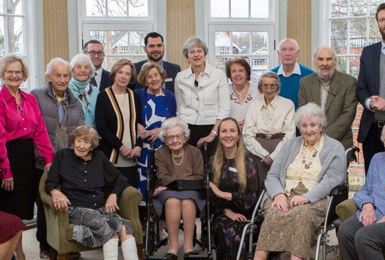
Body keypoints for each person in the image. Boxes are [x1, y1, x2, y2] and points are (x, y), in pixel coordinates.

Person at [253, 103, 346, 260]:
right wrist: (278, 194)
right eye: (304, 125)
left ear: (321, 125)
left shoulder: (334, 147)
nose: (309, 129)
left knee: (302, 214)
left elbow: (333, 179)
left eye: (313, 125)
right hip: (285, 194)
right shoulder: (289, 145)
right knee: (275, 212)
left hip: (315, 198)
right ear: (299, 127)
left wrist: (307, 197)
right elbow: (273, 175)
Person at [45, 126, 138, 260]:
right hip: (76, 209)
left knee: (126, 229)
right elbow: (50, 181)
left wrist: (113, 195)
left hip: (99, 208)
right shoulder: (62, 156)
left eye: (86, 142)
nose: (81, 146)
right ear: (73, 141)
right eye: (79, 141)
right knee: (109, 228)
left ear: (92, 145)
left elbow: (121, 179)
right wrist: (55, 192)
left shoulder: (99, 157)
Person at [31, 57, 84, 258]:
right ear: (49, 77)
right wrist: (43, 158)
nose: (62, 79)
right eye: (58, 75)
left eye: (65, 75)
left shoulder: (75, 102)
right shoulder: (36, 96)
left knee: (67, 203)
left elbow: (79, 133)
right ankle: (45, 245)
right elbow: (33, 130)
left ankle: (66, 244)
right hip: (41, 162)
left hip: (66, 163)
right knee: (45, 205)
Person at [0, 54, 54, 219]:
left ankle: (20, 246)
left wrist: (49, 158)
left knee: (23, 206)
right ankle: (10, 246)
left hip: (26, 157)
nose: (14, 75)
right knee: (9, 210)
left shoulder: (30, 99)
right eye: (10, 72)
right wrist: (5, 171)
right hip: (7, 156)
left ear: (24, 75)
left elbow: (40, 132)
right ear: (3, 74)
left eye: (18, 72)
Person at [152, 117, 205, 259]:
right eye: (170, 137)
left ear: (184, 137)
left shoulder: (195, 152)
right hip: (168, 192)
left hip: (189, 192)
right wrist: (182, 182)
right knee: (172, 201)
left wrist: (174, 183)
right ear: (165, 139)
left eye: (178, 136)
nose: (174, 140)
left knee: (187, 201)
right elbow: (162, 177)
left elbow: (199, 176)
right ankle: (173, 247)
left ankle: (188, 247)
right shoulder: (160, 153)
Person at [210, 117, 260, 260]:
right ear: (219, 136)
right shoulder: (213, 163)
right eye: (224, 131)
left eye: (232, 130)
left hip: (249, 214)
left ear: (238, 135)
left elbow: (253, 199)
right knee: (227, 229)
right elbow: (211, 196)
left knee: (239, 229)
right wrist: (227, 211)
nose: (228, 135)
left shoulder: (249, 161)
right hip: (222, 214)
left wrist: (226, 195)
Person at [175, 37, 230, 156]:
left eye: (199, 51)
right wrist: (181, 133)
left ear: (205, 53)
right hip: (187, 129)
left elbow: (224, 108)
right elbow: (179, 108)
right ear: (187, 56)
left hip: (212, 127)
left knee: (211, 166)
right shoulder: (180, 77)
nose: (196, 55)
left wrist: (213, 134)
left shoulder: (218, 75)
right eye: (192, 52)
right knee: (191, 166)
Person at [338, 126, 385, 260]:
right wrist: (367, 204)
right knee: (345, 231)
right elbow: (365, 190)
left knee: (365, 236)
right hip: (374, 212)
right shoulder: (378, 159)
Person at [95, 59, 142, 188]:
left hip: (132, 157)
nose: (123, 76)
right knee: (112, 197)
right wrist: (120, 147)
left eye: (127, 73)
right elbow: (101, 127)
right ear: (114, 74)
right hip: (111, 155)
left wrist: (138, 145)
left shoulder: (135, 96)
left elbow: (140, 124)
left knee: (131, 195)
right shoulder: (103, 96)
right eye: (120, 72)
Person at [299, 46, 357, 149]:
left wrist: (322, 138)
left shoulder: (349, 82)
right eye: (320, 59)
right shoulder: (305, 83)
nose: (324, 63)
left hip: (340, 143)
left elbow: (348, 115)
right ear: (315, 62)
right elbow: (302, 113)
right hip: (310, 143)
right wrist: (313, 136)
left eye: (329, 59)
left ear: (335, 61)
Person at [242, 71, 295, 184]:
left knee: (280, 182)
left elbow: (290, 135)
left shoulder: (288, 104)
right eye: (265, 85)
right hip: (256, 148)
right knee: (257, 183)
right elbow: (247, 134)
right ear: (260, 87)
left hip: (280, 147)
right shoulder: (254, 105)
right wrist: (264, 154)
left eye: (273, 85)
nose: (269, 89)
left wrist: (273, 156)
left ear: (278, 87)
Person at [135, 62, 176, 203]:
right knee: (143, 182)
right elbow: (132, 116)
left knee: (162, 180)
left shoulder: (170, 96)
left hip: (164, 146)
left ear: (161, 76)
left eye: (156, 75)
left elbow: (174, 119)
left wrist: (161, 130)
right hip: (144, 148)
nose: (153, 79)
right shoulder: (138, 95)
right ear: (144, 80)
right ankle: (144, 217)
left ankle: (161, 215)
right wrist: (138, 126)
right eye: (149, 77)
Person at [356, 3, 385, 172]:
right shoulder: (368, 52)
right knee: (372, 180)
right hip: (372, 130)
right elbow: (361, 88)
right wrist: (369, 102)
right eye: (382, 19)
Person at [271, 38, 314, 109]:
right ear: (278, 53)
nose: (287, 53)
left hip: (302, 119)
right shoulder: (270, 76)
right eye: (284, 49)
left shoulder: (310, 75)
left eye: (291, 49)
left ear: (298, 53)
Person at [226, 58, 260, 128]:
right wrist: (233, 125)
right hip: (230, 135)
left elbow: (265, 115)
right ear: (229, 75)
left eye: (241, 71)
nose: (237, 74)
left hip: (253, 134)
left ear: (247, 73)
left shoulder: (258, 91)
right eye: (233, 71)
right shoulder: (224, 91)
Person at [69, 53, 99, 128]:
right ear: (72, 70)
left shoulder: (96, 92)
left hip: (92, 136)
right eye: (79, 67)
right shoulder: (66, 90)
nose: (83, 70)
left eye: (86, 67)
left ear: (91, 71)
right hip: (71, 136)